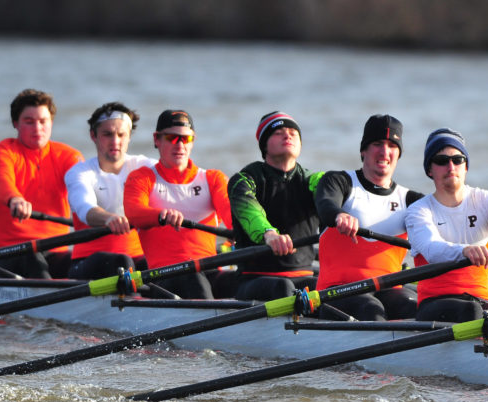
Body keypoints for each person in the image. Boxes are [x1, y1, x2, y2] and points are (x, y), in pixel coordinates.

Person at [313, 114, 424, 321]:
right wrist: (339, 215)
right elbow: (326, 204)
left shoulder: (412, 200)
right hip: (336, 291)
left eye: (392, 145)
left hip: (389, 290)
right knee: (370, 309)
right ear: (363, 150)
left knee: (417, 307)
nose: (384, 151)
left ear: (399, 154)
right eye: (377, 143)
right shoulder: (339, 182)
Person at [123, 109, 232, 299]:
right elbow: (134, 212)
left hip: (208, 270)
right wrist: (160, 216)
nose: (180, 145)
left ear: (193, 141)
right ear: (157, 139)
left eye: (186, 139)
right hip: (165, 276)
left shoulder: (213, 179)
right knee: (193, 278)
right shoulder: (142, 178)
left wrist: (266, 232)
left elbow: (234, 216)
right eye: (172, 138)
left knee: (254, 282)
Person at [406, 128, 488, 323]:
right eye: (442, 161)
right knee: (471, 310)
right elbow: (431, 249)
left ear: (466, 166)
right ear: (430, 170)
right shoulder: (419, 210)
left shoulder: (486, 200)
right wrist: (465, 251)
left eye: (457, 159)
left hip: (481, 300)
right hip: (435, 303)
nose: (451, 166)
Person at [0, 88, 83, 278]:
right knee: (33, 258)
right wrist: (15, 199)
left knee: (95, 262)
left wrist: (98, 213)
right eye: (29, 122)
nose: (37, 128)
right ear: (16, 124)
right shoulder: (2, 153)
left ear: (51, 123)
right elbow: (3, 181)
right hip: (10, 252)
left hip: (55, 250)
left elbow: (83, 188)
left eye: (43, 121)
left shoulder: (69, 156)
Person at [228, 111, 321, 301]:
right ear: (264, 145)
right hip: (255, 280)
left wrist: (342, 215)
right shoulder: (244, 180)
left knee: (332, 288)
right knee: (283, 287)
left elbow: (333, 195)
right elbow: (250, 211)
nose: (287, 135)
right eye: (278, 132)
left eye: (293, 133)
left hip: (304, 277)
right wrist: (268, 234)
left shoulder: (313, 180)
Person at [64, 102, 155, 279]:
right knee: (121, 263)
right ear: (93, 136)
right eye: (107, 134)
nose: (115, 141)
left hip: (137, 259)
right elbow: (85, 208)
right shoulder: (79, 172)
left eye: (121, 135)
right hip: (88, 262)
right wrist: (109, 218)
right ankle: (134, 301)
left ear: (129, 137)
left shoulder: (145, 166)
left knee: (164, 263)